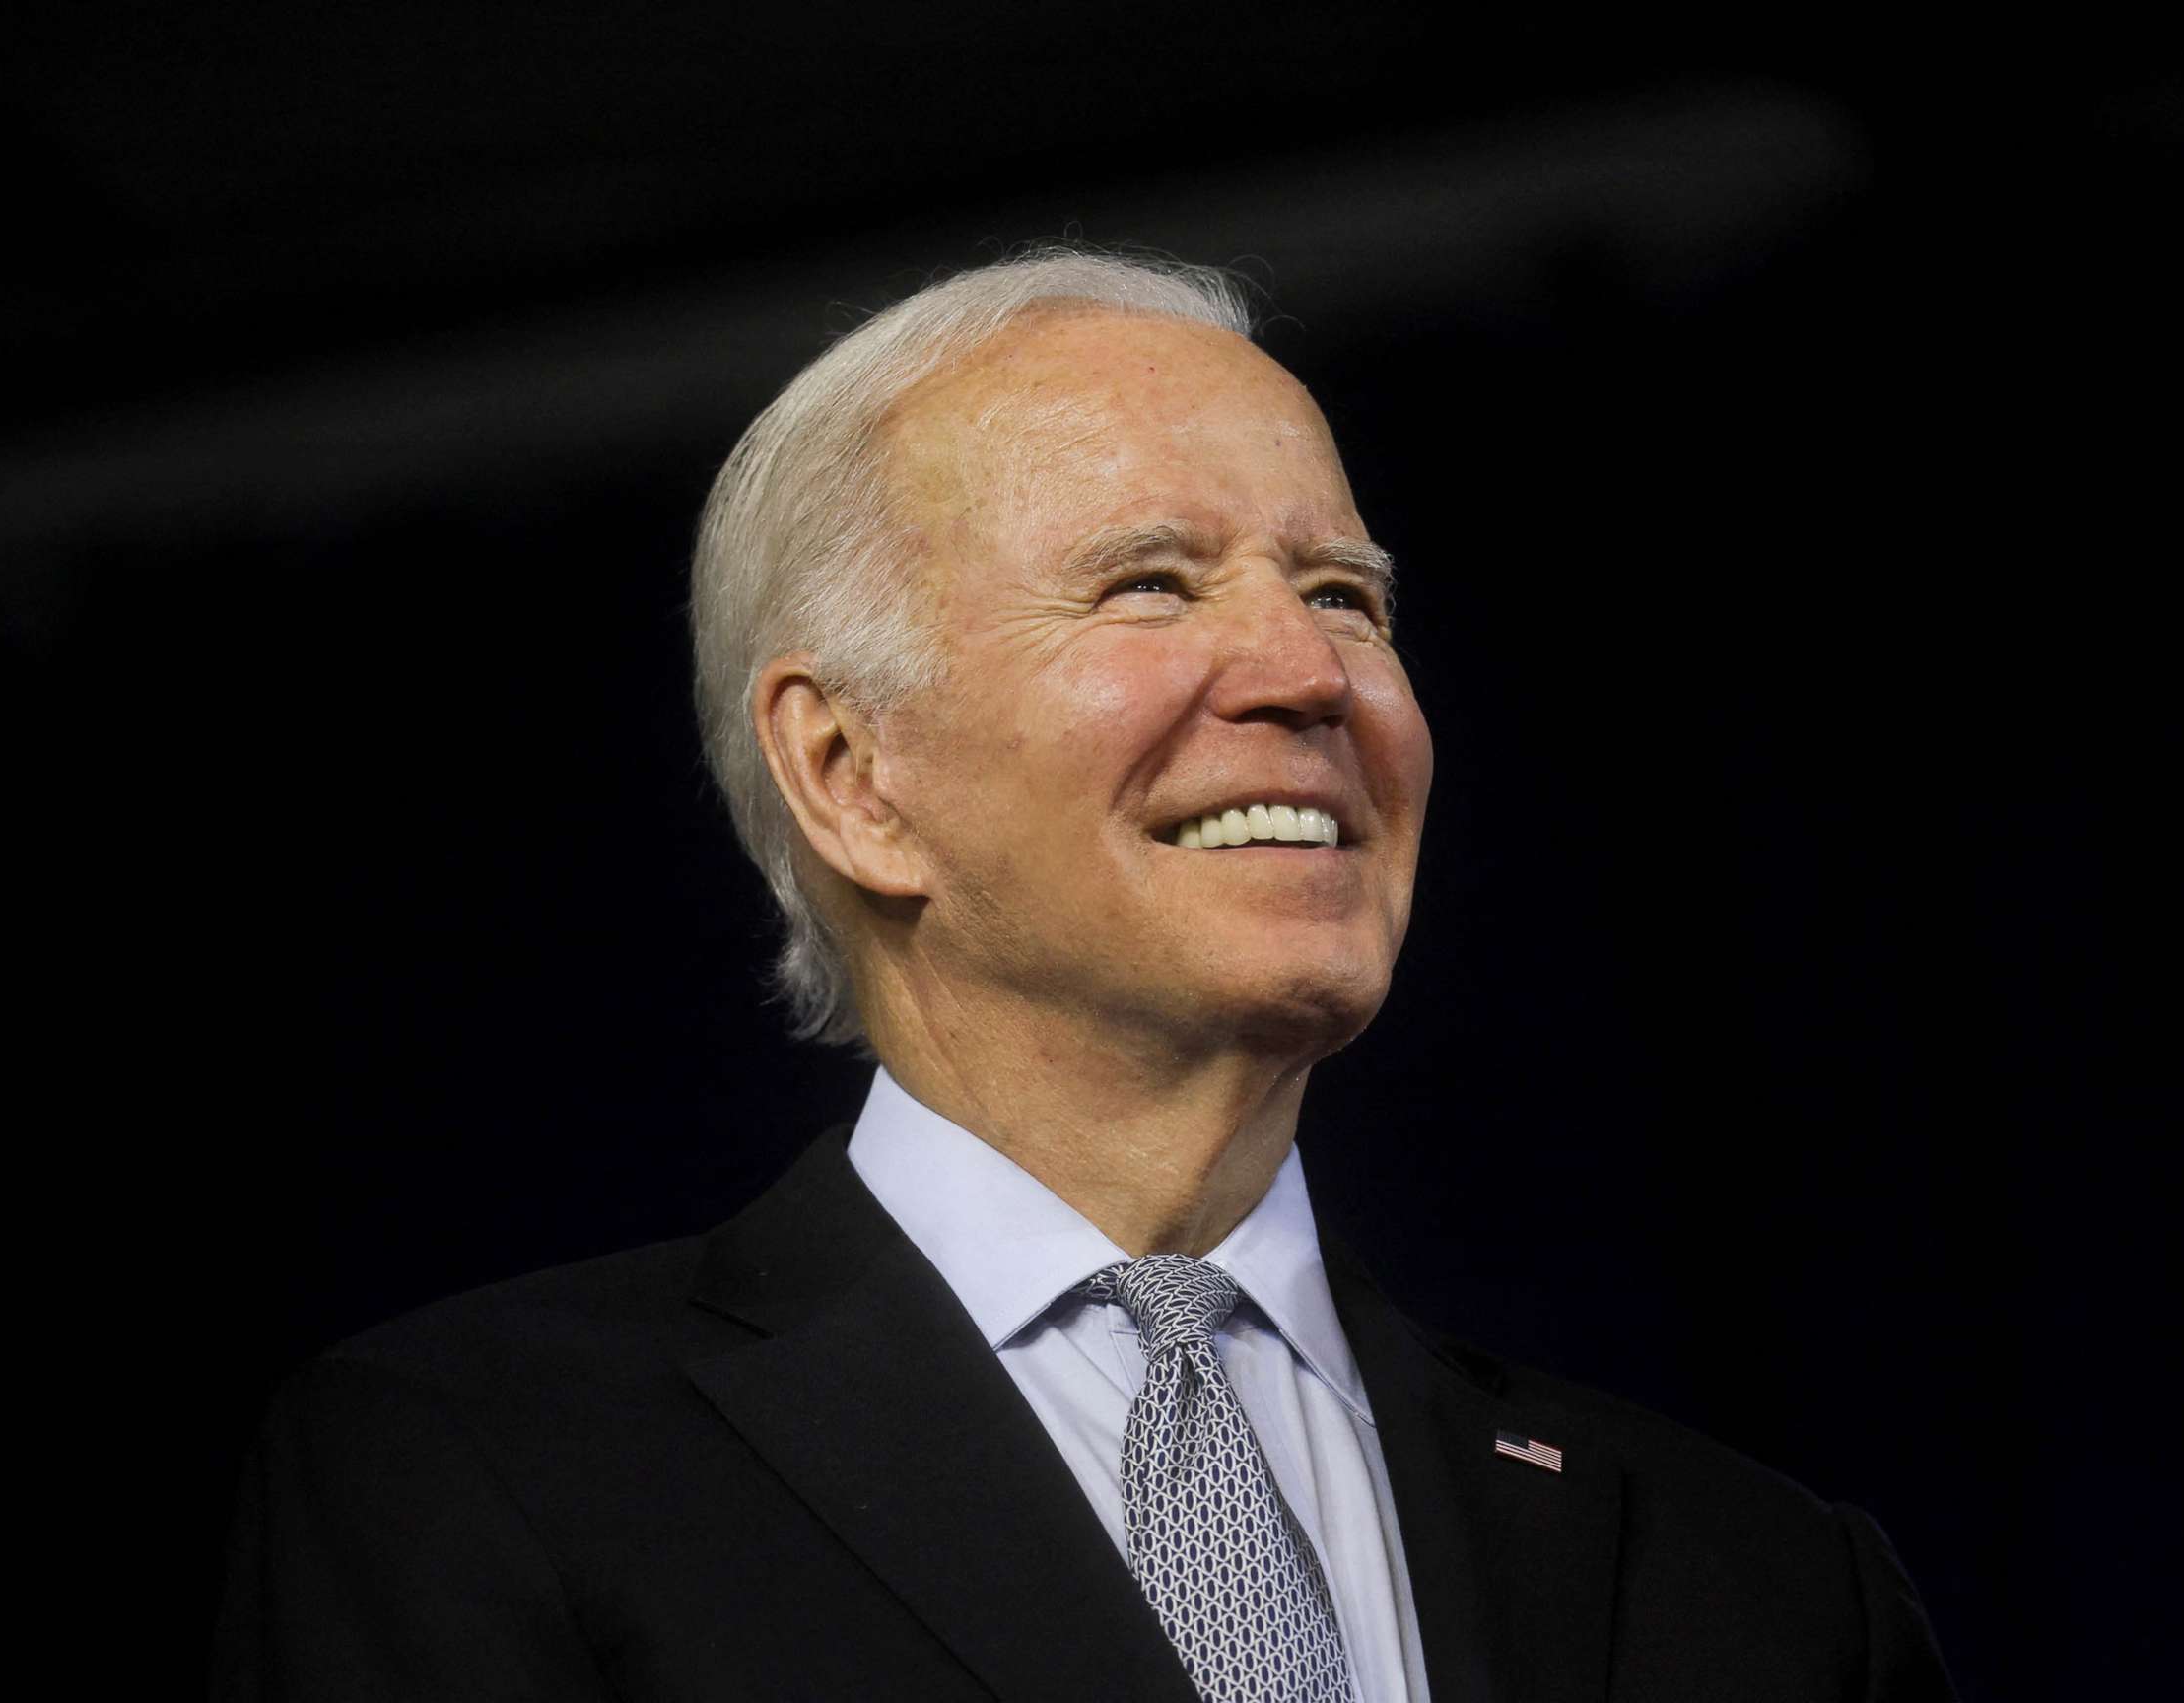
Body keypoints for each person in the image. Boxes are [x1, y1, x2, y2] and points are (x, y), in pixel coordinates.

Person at [211, 248, 1958, 1701]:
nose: (1305, 672)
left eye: (1346, 594)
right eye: (1149, 584)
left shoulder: (1767, 1589)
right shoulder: (487, 1471)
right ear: (851, 774)